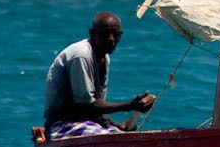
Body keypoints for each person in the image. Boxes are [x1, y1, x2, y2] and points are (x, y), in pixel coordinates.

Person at [42, 11, 156, 139]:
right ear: (92, 34)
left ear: (120, 35)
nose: (111, 39)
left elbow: (98, 105)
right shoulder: (81, 55)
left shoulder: (104, 57)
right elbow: (86, 106)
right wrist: (130, 106)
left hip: (88, 122)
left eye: (115, 34)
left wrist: (117, 125)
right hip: (62, 124)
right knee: (114, 138)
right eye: (105, 34)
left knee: (125, 136)